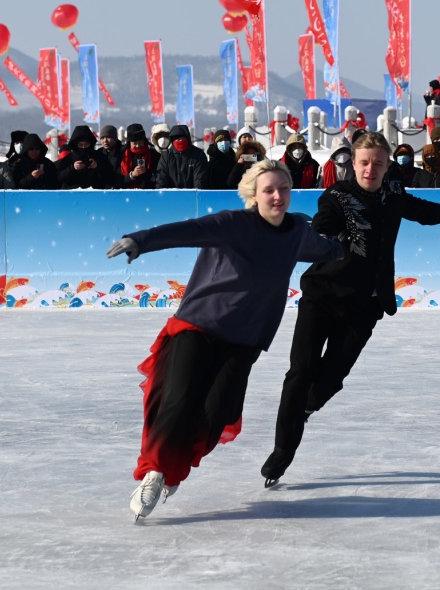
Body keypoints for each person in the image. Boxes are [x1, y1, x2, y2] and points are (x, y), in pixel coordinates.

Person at [105, 159, 344, 518]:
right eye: (269, 190)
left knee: (217, 413)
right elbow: (188, 231)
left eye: (283, 189)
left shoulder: (297, 232)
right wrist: (141, 240)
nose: (277, 196)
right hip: (199, 326)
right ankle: (155, 472)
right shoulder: (233, 224)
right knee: (178, 401)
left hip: (245, 339)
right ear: (254, 194)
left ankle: (174, 466)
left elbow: (326, 250)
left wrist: (346, 244)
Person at [260, 131, 440, 488]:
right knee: (300, 372)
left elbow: (422, 212)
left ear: (387, 164)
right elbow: (324, 224)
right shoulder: (336, 195)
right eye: (364, 162)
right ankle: (282, 451)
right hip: (322, 298)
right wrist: (321, 238)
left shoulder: (393, 192)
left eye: (378, 163)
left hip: (365, 304)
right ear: (353, 163)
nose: (370, 169)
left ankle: (304, 409)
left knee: (332, 379)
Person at [56, 125, 113, 190]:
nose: (83, 147)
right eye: (80, 145)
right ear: (76, 145)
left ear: (90, 144)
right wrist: (73, 168)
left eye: (86, 144)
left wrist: (97, 167)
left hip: (95, 193)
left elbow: (110, 177)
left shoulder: (99, 156)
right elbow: (59, 178)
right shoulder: (69, 159)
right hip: (73, 193)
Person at [153, 125, 208, 189]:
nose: (180, 141)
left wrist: (196, 193)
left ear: (188, 139)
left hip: (192, 194)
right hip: (171, 194)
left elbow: (200, 180)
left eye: (183, 138)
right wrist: (162, 193)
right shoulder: (166, 157)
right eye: (178, 139)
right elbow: (161, 180)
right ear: (173, 140)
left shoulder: (198, 155)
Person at [120, 124, 161, 189]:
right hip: (127, 192)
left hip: (148, 192)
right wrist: (132, 175)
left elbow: (159, 178)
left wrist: (147, 173)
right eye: (135, 143)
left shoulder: (154, 155)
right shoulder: (122, 156)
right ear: (129, 143)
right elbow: (118, 181)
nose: (138, 145)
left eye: (140, 142)